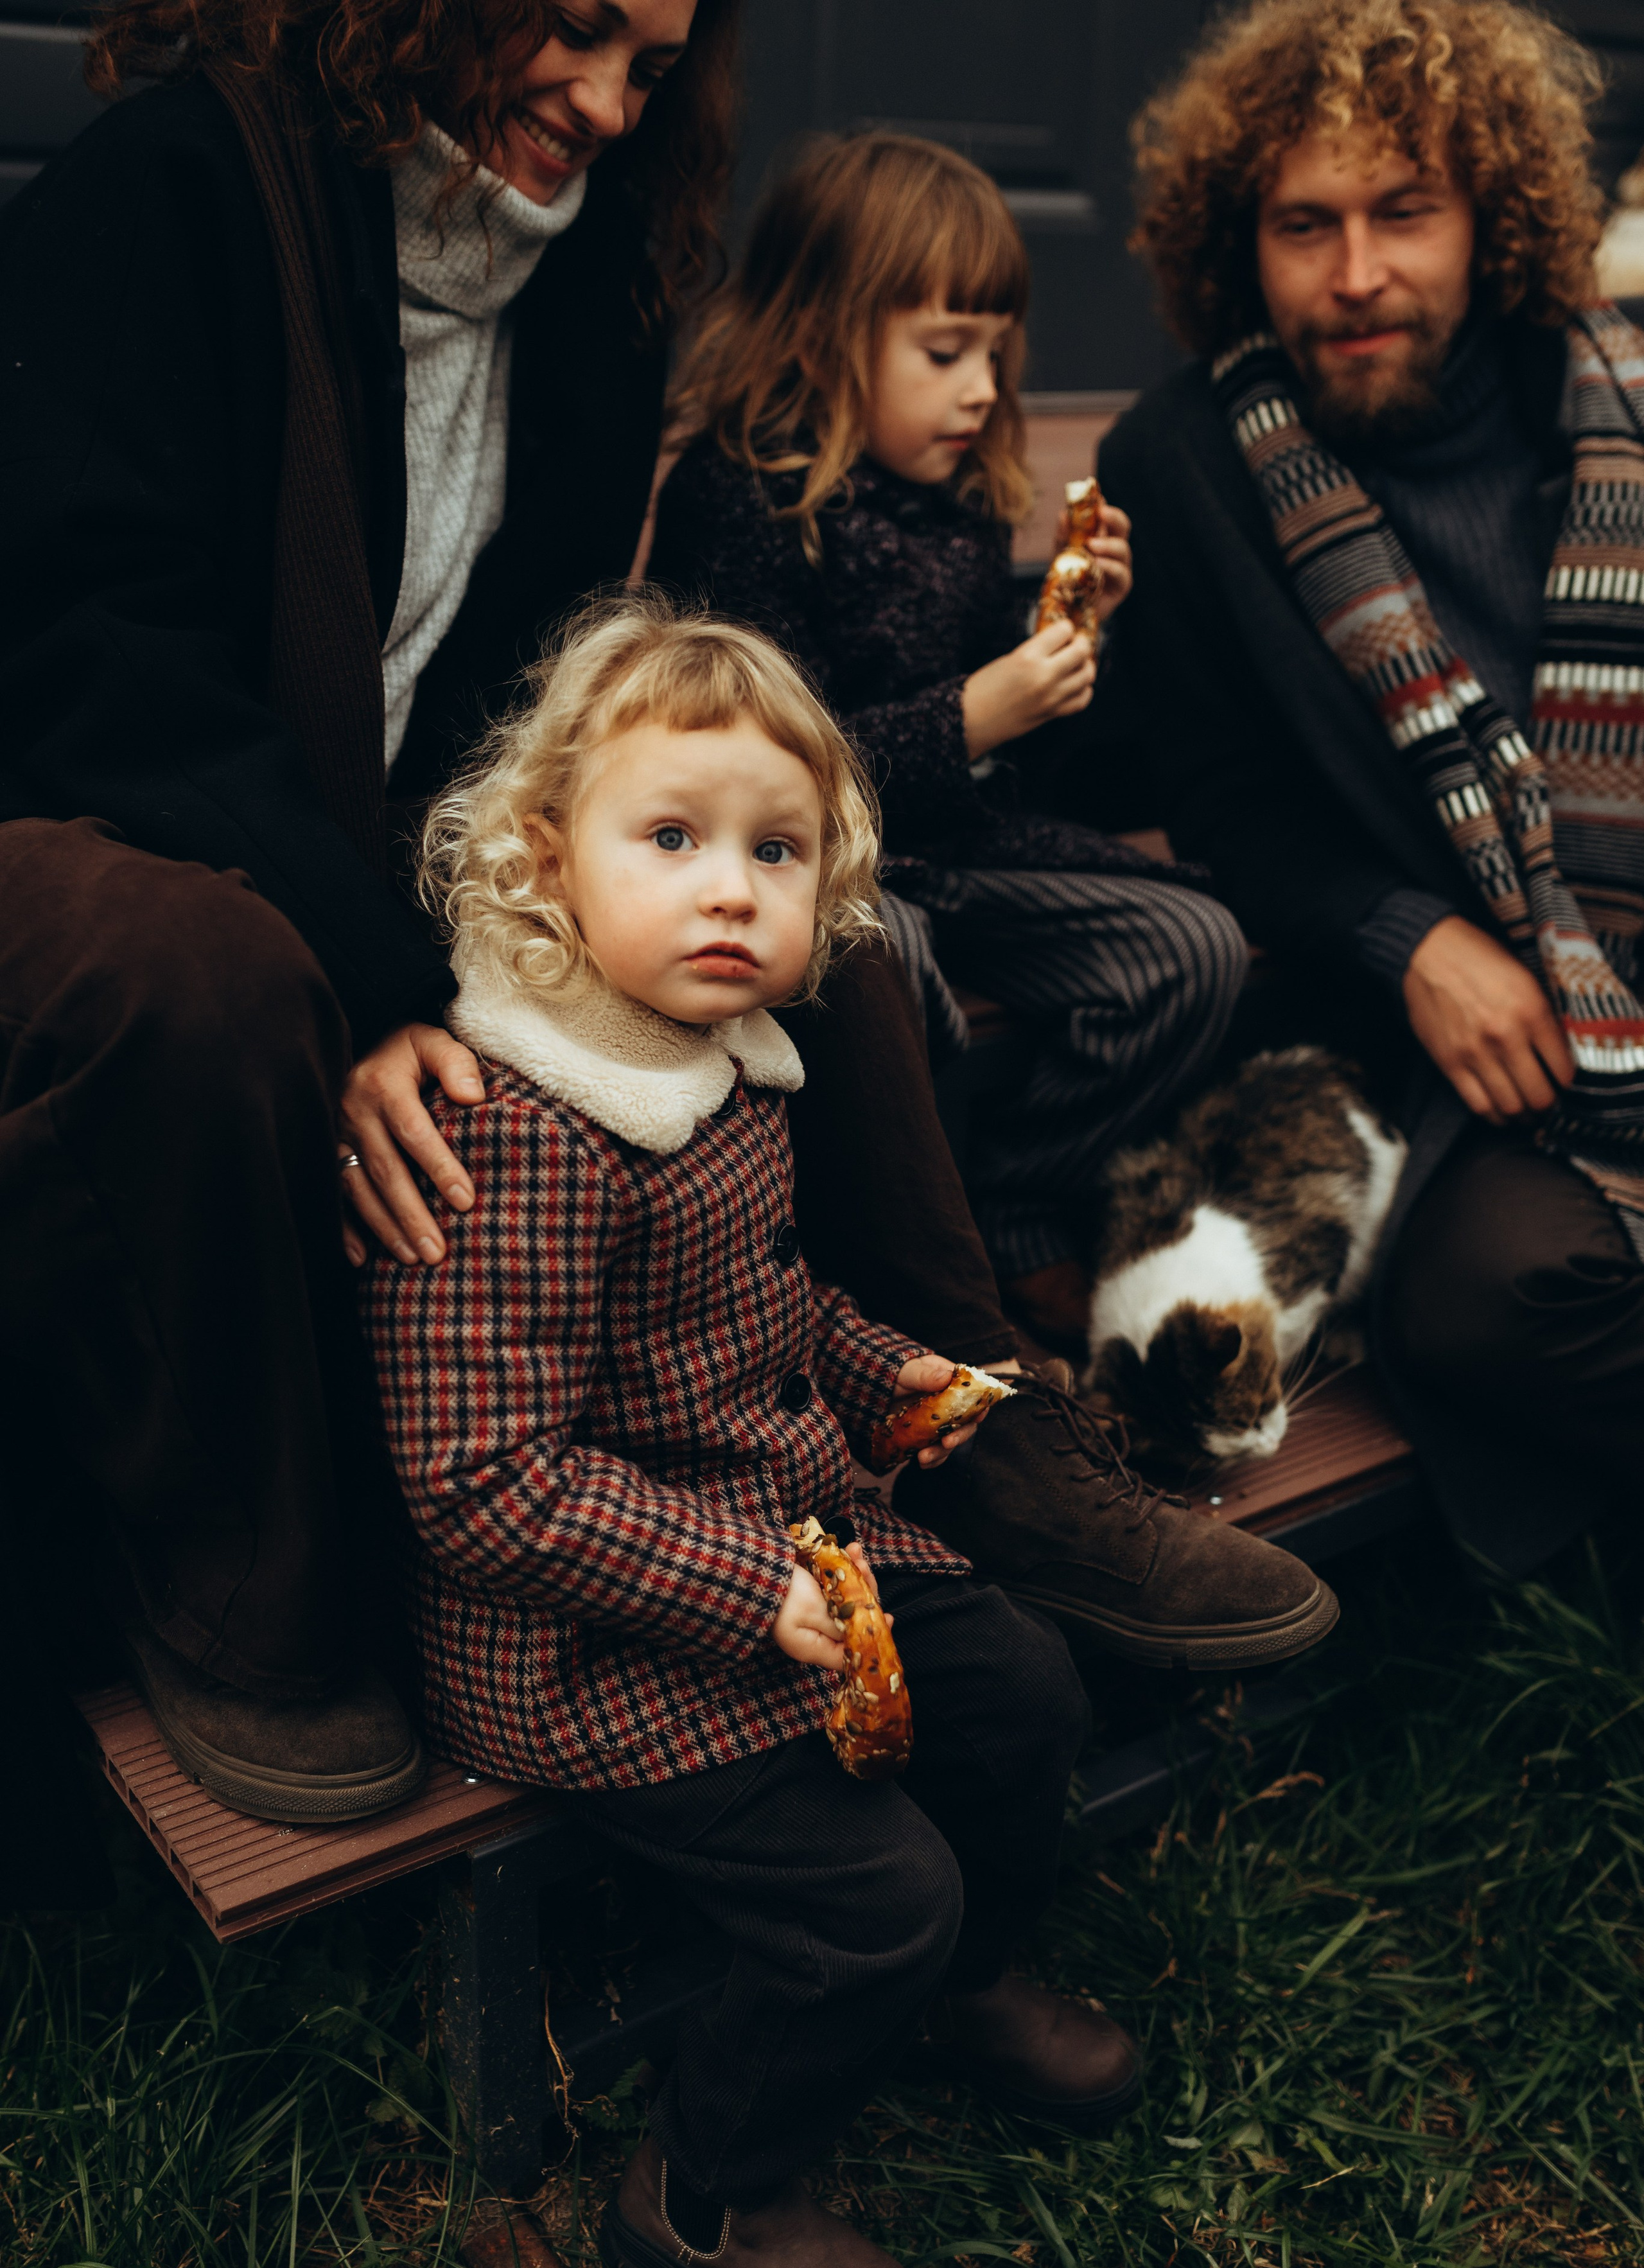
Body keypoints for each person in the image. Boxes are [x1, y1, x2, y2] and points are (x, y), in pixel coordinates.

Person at [0, 3, 1337, 1879]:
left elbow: (538, 671)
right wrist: (377, 965)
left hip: (394, 816)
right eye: (567, 29)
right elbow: (89, 658)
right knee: (211, 985)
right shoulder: (176, 189)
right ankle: (239, 1574)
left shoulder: (594, 269)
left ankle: (980, 1432)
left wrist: (677, 825)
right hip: (119, 812)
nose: (609, 104)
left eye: (649, 60)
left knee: (791, 902)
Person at [365, 595, 1140, 2268]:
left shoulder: (717, 1067)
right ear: (545, 867)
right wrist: (744, 1593)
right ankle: (709, 2189)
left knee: (1022, 1684)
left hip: (789, 1541)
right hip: (584, 1640)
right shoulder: (524, 1132)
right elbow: (482, 1482)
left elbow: (778, 1311)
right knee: (873, 1891)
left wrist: (895, 1379)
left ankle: (964, 1987)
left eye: (775, 852)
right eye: (673, 838)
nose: (732, 890)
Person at [1097, 0, 1644, 1574]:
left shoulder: (1604, 392)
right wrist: (1409, 936)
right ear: (1235, 241)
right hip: (1511, 1033)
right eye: (1302, 225)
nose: (1353, 275)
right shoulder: (1184, 464)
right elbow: (1218, 795)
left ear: (1490, 215)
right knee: (1477, 1302)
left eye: (1402, 212)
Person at [649, 132, 1251, 1349]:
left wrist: (1079, 643)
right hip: (827, 866)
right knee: (888, 970)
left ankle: (1017, 1203)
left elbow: (1033, 768)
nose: (983, 389)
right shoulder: (743, 499)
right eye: (944, 353)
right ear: (824, 334)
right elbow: (747, 776)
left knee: (1194, 949)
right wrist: (973, 714)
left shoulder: (964, 500)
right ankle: (908, 1254)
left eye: (994, 352)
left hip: (965, 842)